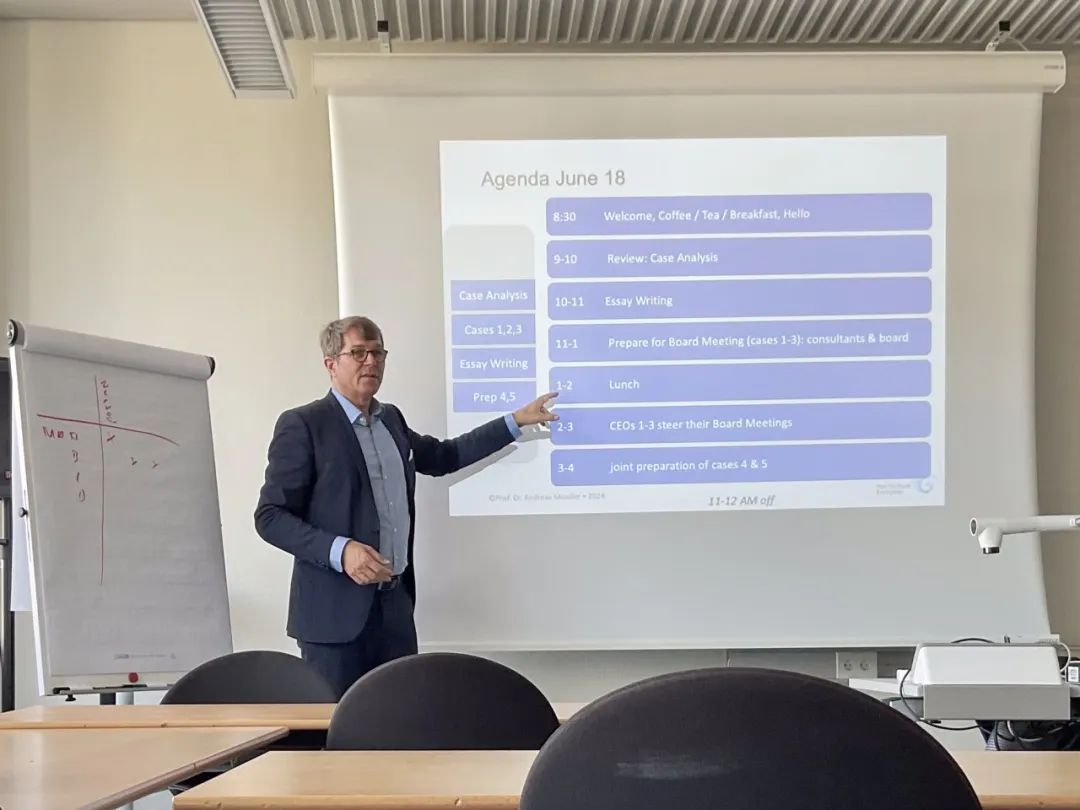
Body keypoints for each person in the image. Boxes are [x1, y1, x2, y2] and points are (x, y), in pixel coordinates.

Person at [254, 316, 557, 697]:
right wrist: (340, 551)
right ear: (331, 364)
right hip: (333, 620)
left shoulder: (391, 420)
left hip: (394, 610)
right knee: (337, 728)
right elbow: (270, 517)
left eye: (377, 352)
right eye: (358, 353)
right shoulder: (304, 424)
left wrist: (515, 421)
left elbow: (446, 456)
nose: (371, 362)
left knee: (397, 720)